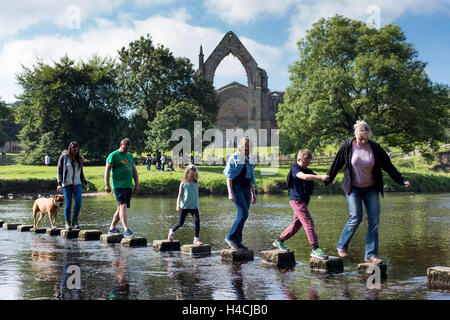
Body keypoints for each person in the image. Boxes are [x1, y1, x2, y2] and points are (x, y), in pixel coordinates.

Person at [325, 120, 410, 264]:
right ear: (355, 134)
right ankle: (342, 245)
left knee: (374, 220)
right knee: (356, 217)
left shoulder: (375, 147)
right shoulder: (347, 145)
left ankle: (371, 254)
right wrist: (328, 178)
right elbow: (337, 163)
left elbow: (388, 166)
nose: (362, 141)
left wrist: (400, 180)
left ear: (368, 135)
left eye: (365, 138)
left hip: (371, 188)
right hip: (353, 188)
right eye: (360, 138)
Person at [273, 149, 329, 259]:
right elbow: (303, 176)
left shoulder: (308, 170)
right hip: (296, 201)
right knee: (308, 222)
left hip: (303, 201)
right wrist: (319, 177)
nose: (306, 165)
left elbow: (317, 177)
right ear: (299, 160)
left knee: (297, 224)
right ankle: (315, 248)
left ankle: (279, 241)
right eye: (305, 162)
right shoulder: (295, 169)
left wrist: (325, 179)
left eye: (308, 163)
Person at [223, 136, 257, 250]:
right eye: (246, 149)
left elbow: (251, 177)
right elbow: (229, 177)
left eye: (249, 150)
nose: (247, 152)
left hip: (247, 189)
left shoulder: (249, 159)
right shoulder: (235, 158)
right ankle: (230, 237)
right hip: (237, 188)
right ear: (242, 147)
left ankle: (238, 242)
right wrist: (230, 193)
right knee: (243, 214)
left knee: (243, 216)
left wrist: (253, 193)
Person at [105, 138, 140, 238]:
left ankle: (112, 228)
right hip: (118, 186)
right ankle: (126, 229)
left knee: (120, 207)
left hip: (128, 185)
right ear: (121, 144)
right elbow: (107, 170)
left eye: (127, 149)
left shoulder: (129, 156)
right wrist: (107, 184)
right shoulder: (113, 155)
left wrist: (137, 184)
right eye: (124, 148)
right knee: (123, 205)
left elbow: (134, 171)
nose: (126, 150)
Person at [57, 141, 89, 230]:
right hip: (66, 184)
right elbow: (59, 171)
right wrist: (59, 183)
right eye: (73, 150)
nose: (75, 152)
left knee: (78, 201)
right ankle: (67, 222)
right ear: (70, 149)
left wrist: (85, 183)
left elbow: (81, 172)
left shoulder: (80, 158)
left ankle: (75, 220)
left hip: (77, 183)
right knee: (69, 203)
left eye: (76, 150)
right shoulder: (63, 158)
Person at [168, 164, 202, 245]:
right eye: (191, 175)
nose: (193, 176)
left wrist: (197, 202)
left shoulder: (196, 183)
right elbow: (179, 195)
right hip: (184, 206)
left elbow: (197, 194)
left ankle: (196, 239)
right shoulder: (183, 183)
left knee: (197, 221)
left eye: (194, 175)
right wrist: (177, 205)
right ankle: (171, 231)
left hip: (194, 207)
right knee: (180, 223)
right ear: (187, 174)